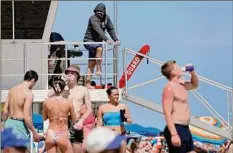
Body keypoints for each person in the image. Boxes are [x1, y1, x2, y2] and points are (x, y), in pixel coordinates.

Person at [48, 64, 94, 153]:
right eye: (67, 72)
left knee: (77, 149)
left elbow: (90, 109)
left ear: (77, 75)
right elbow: (49, 95)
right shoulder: (62, 88)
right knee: (60, 149)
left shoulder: (83, 89)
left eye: (72, 73)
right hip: (62, 122)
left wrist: (81, 121)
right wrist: (61, 82)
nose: (69, 74)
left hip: (75, 122)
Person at [161, 60, 199, 153]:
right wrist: (174, 134)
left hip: (185, 128)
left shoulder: (182, 84)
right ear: (172, 72)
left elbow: (195, 84)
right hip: (176, 128)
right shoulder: (169, 88)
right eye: (177, 67)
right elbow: (167, 113)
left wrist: (192, 72)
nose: (180, 68)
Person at [2, 70, 43, 151]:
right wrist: (35, 133)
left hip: (8, 123)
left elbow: (5, 110)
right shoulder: (28, 93)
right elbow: (27, 117)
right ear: (33, 80)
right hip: (19, 126)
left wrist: (4, 124)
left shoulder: (12, 90)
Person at [83, 3, 120, 89]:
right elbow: (98, 30)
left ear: (104, 12)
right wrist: (106, 39)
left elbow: (110, 29)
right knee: (99, 48)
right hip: (88, 41)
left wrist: (115, 39)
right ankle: (99, 68)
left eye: (101, 11)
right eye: (97, 11)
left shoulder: (106, 18)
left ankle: (87, 83)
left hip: (98, 42)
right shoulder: (93, 19)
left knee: (91, 64)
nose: (99, 13)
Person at [42, 76, 76, 153]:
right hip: (62, 132)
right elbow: (74, 120)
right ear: (63, 88)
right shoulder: (68, 102)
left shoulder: (46, 102)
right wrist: (68, 116)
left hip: (51, 133)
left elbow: (44, 118)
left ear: (53, 88)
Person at [97, 86, 132, 153]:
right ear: (109, 96)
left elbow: (130, 121)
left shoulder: (123, 106)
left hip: (120, 135)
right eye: (115, 95)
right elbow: (99, 124)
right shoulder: (102, 108)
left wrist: (127, 118)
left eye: (118, 94)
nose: (117, 96)